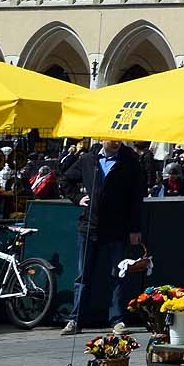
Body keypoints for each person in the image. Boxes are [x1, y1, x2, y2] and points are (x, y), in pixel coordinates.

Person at [63, 140, 147, 334]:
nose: (116, 142)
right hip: (89, 225)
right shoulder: (87, 160)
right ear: (102, 139)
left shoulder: (130, 161)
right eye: (111, 138)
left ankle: (116, 319)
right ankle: (75, 319)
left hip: (116, 227)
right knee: (82, 275)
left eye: (119, 138)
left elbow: (137, 196)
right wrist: (77, 198)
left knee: (117, 274)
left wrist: (135, 227)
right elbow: (66, 179)